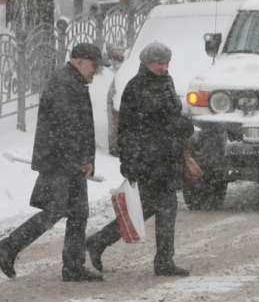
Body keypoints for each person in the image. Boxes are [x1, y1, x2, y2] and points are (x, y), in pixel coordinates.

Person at [0, 43, 109, 282]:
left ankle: (73, 267)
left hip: (70, 161)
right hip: (59, 161)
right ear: (79, 61)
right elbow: (67, 127)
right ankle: (8, 247)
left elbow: (79, 127)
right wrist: (81, 158)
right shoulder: (64, 83)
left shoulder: (74, 82)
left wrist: (86, 159)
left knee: (79, 213)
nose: (96, 71)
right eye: (94, 66)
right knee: (55, 210)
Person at [85, 42, 194, 277]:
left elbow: (169, 115)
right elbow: (130, 130)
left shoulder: (166, 81)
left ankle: (102, 241)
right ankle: (162, 260)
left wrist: (181, 125)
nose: (164, 67)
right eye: (159, 63)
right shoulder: (137, 87)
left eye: (166, 63)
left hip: (166, 157)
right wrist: (130, 163)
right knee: (160, 207)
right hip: (149, 160)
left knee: (155, 208)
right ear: (146, 63)